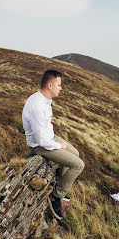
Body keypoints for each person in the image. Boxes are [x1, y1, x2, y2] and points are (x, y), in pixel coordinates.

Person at [22, 69, 85, 220]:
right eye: (59, 84)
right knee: (78, 165)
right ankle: (56, 196)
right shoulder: (37, 106)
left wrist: (57, 141)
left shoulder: (44, 100)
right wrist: (58, 146)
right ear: (50, 85)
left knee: (75, 153)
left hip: (49, 138)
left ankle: (60, 184)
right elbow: (41, 141)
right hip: (41, 145)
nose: (61, 88)